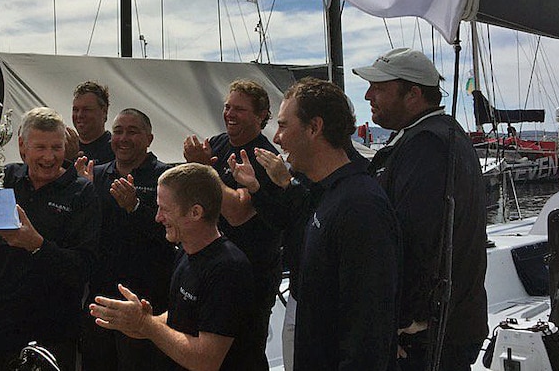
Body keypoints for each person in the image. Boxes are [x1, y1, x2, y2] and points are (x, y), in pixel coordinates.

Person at [354, 48, 488, 371]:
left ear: (413, 94)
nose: (369, 94)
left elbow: (419, 241)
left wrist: (402, 322)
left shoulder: (427, 145)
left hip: (429, 338)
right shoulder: (444, 136)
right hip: (449, 329)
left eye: (380, 87)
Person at [261, 77, 400, 370]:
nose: (277, 138)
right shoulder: (324, 195)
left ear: (314, 128)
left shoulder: (360, 206)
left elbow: (368, 333)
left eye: (284, 126)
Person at [0, 106, 100, 371]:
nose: (49, 157)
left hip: (53, 330)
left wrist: (37, 246)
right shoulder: (5, 178)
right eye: (40, 147)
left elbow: (84, 267)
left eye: (56, 147)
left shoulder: (81, 192)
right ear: (22, 146)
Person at [89, 162, 259, 371]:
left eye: (164, 209)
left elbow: (205, 361)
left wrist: (145, 324)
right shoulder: (186, 253)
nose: (158, 217)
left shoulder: (228, 269)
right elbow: (181, 317)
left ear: (195, 212)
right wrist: (141, 323)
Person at [183, 78, 282, 367]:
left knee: (243, 358)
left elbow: (238, 213)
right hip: (212, 273)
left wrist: (203, 168)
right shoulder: (216, 144)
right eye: (227, 107)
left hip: (251, 276)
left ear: (261, 115)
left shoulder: (266, 157)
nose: (229, 114)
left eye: (239, 109)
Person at [80, 108, 175, 371]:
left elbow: (172, 238)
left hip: (146, 302)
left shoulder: (164, 178)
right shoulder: (94, 175)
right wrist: (82, 195)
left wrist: (135, 207)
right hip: (100, 299)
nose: (123, 138)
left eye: (132, 132)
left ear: (149, 139)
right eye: (118, 131)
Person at [70, 80, 115, 164]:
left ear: (104, 112)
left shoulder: (116, 149)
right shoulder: (65, 149)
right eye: (76, 110)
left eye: (86, 109)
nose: (80, 115)